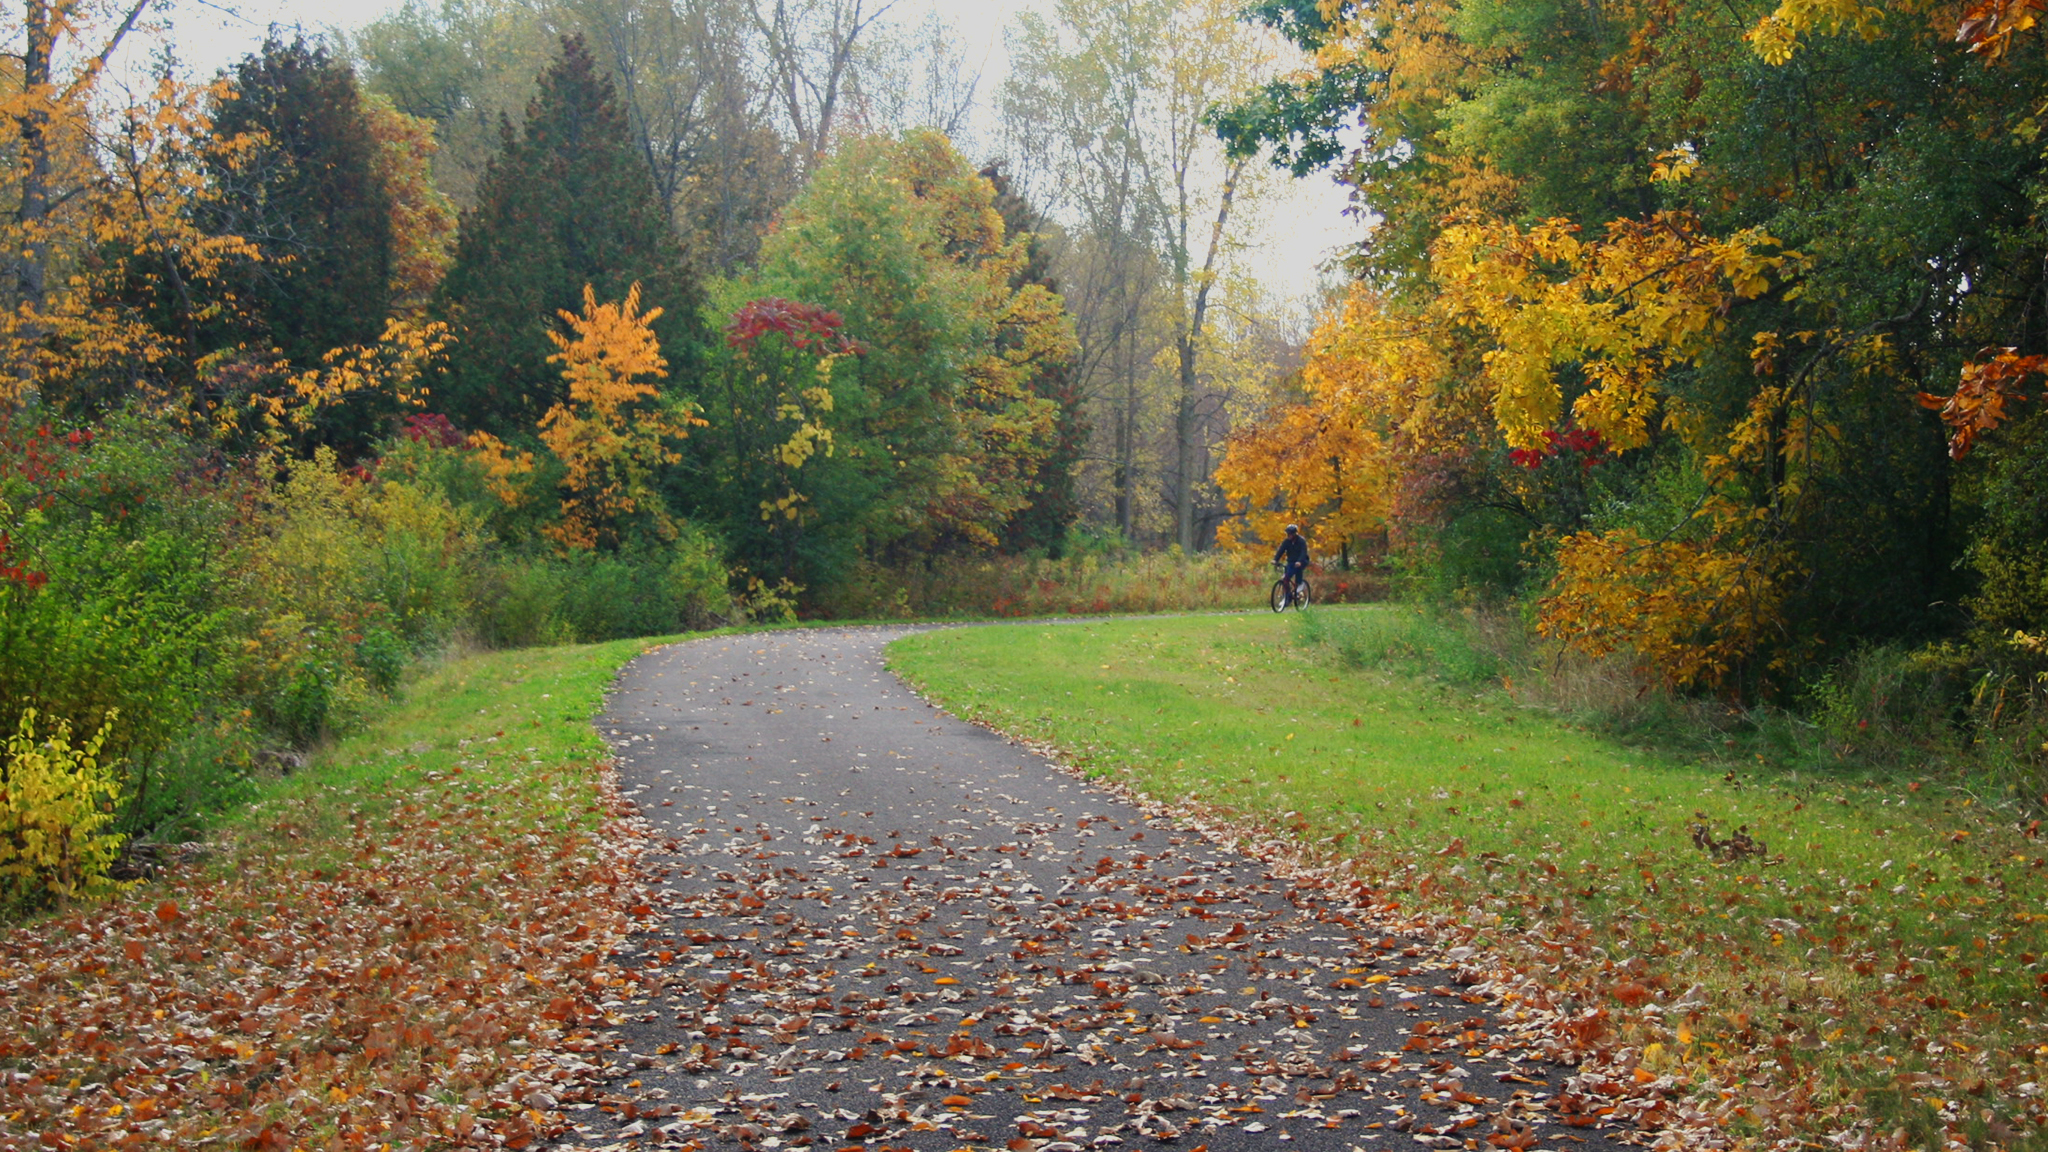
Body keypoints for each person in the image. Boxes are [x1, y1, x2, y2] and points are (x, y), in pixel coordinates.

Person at [1273, 524, 1308, 603]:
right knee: (1286, 578)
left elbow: (1303, 552)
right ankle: (1288, 597)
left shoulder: (1301, 541)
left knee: (1298, 569)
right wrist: (1275, 560)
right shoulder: (1286, 541)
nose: (1289, 535)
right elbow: (1281, 551)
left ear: (1295, 534)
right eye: (1288, 534)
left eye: (1290, 534)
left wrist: (1299, 561)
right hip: (1291, 561)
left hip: (1302, 560)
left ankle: (1299, 584)